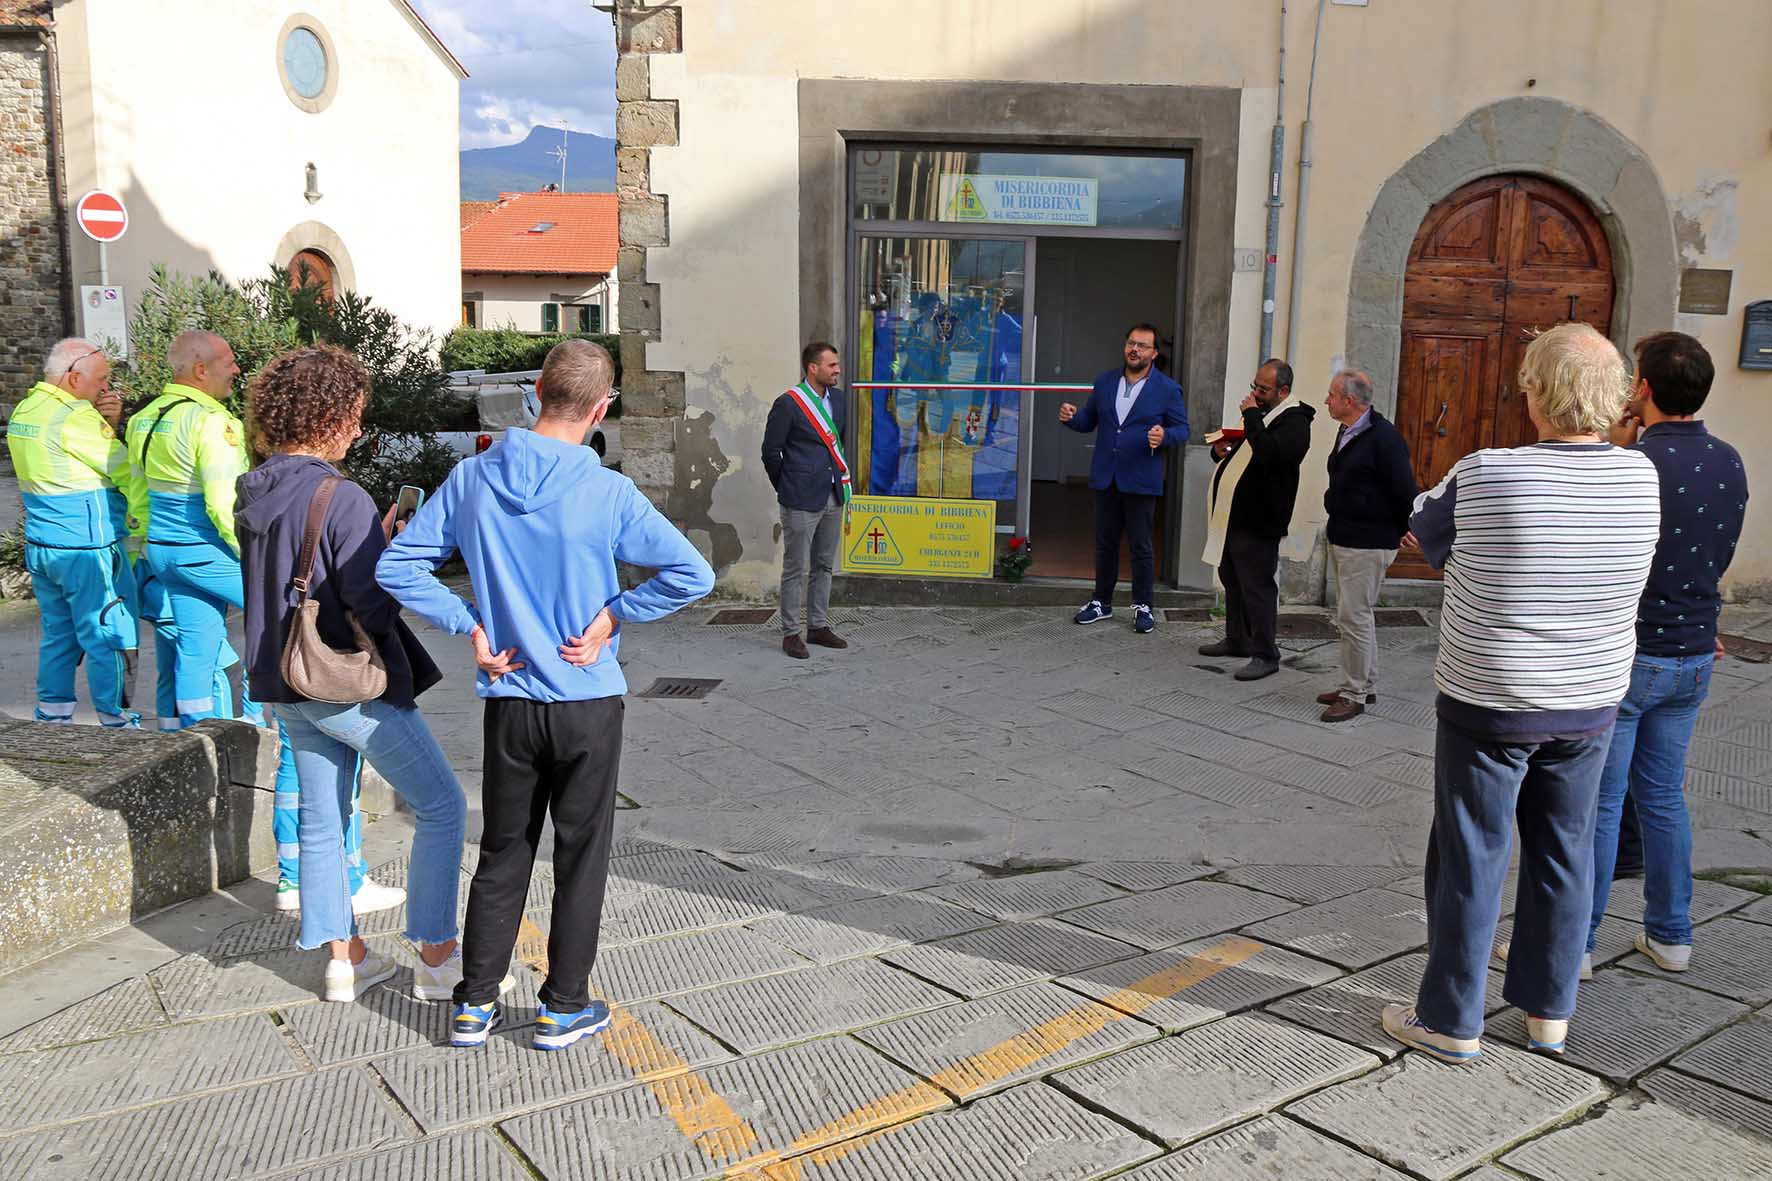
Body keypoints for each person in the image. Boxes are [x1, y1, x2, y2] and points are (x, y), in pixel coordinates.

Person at [377, 340, 713, 1051]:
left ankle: (473, 1004)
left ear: (535, 389)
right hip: (587, 696)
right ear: (602, 408)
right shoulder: (608, 491)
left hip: (510, 697)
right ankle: (562, 1006)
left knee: (503, 850)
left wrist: (467, 625)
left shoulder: (472, 479)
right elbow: (693, 574)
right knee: (581, 854)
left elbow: (397, 564)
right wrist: (615, 613)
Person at [1383, 323, 1660, 1064]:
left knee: (1472, 853)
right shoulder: (1643, 476)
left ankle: (1450, 1018)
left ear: (1534, 392)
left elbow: (1421, 528)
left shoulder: (1488, 472)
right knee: (1565, 851)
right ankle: (1550, 1012)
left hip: (1492, 697)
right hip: (1591, 695)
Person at [127, 331, 395, 914]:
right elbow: (235, 512)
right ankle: (325, 875)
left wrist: (144, 543)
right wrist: (263, 568)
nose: (235, 367)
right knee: (313, 727)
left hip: (164, 548)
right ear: (198, 370)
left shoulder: (147, 417)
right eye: (226, 361)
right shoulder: (210, 422)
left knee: (194, 650)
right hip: (208, 551)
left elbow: (136, 488)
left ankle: (192, 742)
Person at [235, 344, 469, 1004]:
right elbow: (372, 601)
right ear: (330, 416)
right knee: (444, 805)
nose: (359, 430)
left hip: (285, 681)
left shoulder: (253, 488)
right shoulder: (341, 497)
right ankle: (437, 958)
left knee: (322, 819)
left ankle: (346, 960)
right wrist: (390, 551)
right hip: (346, 683)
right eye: (355, 415)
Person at [1588, 332, 1747, 974]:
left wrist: (1620, 443)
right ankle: (1672, 934)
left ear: (1642, 390)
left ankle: (1576, 945)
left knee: (1600, 804)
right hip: (1694, 652)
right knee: (1662, 795)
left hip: (1632, 653)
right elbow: (1716, 553)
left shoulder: (1630, 464)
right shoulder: (1730, 459)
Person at [6, 339, 142, 727]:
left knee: (59, 637)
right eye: (100, 380)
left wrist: (103, 425)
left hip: (43, 544)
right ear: (73, 377)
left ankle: (52, 721)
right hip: (88, 547)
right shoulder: (76, 417)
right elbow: (126, 470)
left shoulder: (26, 410)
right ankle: (118, 725)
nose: (104, 389)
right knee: (108, 635)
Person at [1059, 323, 1189, 634]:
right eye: (1131, 343)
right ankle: (1101, 602)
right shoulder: (1105, 382)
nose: (1135, 349)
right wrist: (1071, 418)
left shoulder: (1167, 389)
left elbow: (1183, 430)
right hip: (1106, 476)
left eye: (1143, 346)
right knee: (1105, 544)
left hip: (1141, 478)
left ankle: (1143, 606)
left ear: (1154, 353)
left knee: (1141, 546)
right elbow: (1089, 421)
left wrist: (1164, 435)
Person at [1200, 358, 1314, 680]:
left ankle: (1266, 654)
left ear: (1284, 390)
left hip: (1260, 520)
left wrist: (1251, 414)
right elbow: (1246, 449)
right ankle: (1238, 639)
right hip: (1234, 518)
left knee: (1258, 588)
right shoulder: (1264, 414)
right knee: (1232, 580)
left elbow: (1268, 453)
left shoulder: (1295, 422)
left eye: (1263, 389)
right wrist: (1220, 451)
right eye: (1255, 386)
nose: (1255, 393)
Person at [1319, 369, 1417, 721]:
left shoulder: (1384, 438)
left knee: (1354, 616)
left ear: (1350, 401)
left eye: (1332, 394)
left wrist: (1404, 526)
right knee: (1355, 615)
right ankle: (1364, 683)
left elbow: (1405, 489)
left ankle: (1354, 693)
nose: (1326, 400)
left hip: (1367, 541)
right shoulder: (1349, 429)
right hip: (1346, 535)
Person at [763, 342, 850, 660]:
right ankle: (790, 633)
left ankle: (818, 626)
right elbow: (770, 451)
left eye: (837, 364)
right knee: (795, 567)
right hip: (799, 497)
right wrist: (786, 485)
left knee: (824, 565)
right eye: (831, 365)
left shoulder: (839, 400)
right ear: (813, 368)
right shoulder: (789, 404)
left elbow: (840, 445)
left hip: (832, 494)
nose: (837, 370)